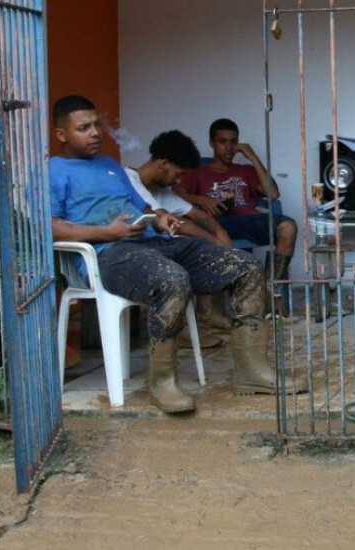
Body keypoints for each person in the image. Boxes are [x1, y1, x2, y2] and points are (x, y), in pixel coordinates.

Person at [49, 95, 305, 414]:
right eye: (83, 128)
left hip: (151, 244)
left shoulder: (109, 166)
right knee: (172, 279)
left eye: (97, 125)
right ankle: (163, 382)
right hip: (108, 255)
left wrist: (158, 217)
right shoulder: (54, 171)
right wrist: (106, 232)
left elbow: (142, 206)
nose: (95, 133)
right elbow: (50, 227)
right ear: (61, 134)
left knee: (245, 266)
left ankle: (252, 371)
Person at [177, 118, 298, 315]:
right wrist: (201, 199)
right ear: (212, 143)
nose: (228, 148)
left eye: (233, 142)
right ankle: (212, 312)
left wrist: (252, 157)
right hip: (215, 223)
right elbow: (175, 196)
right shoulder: (198, 171)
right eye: (222, 142)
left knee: (288, 227)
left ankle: (270, 290)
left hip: (248, 219)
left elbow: (273, 193)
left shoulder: (246, 170)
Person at [124, 130, 236, 333]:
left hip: (156, 250)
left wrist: (221, 234)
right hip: (133, 253)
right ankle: (181, 328)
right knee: (193, 245)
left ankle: (204, 316)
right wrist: (214, 242)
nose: (178, 181)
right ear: (163, 164)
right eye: (178, 174)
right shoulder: (129, 180)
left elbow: (196, 215)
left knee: (201, 243)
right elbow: (173, 221)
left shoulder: (160, 190)